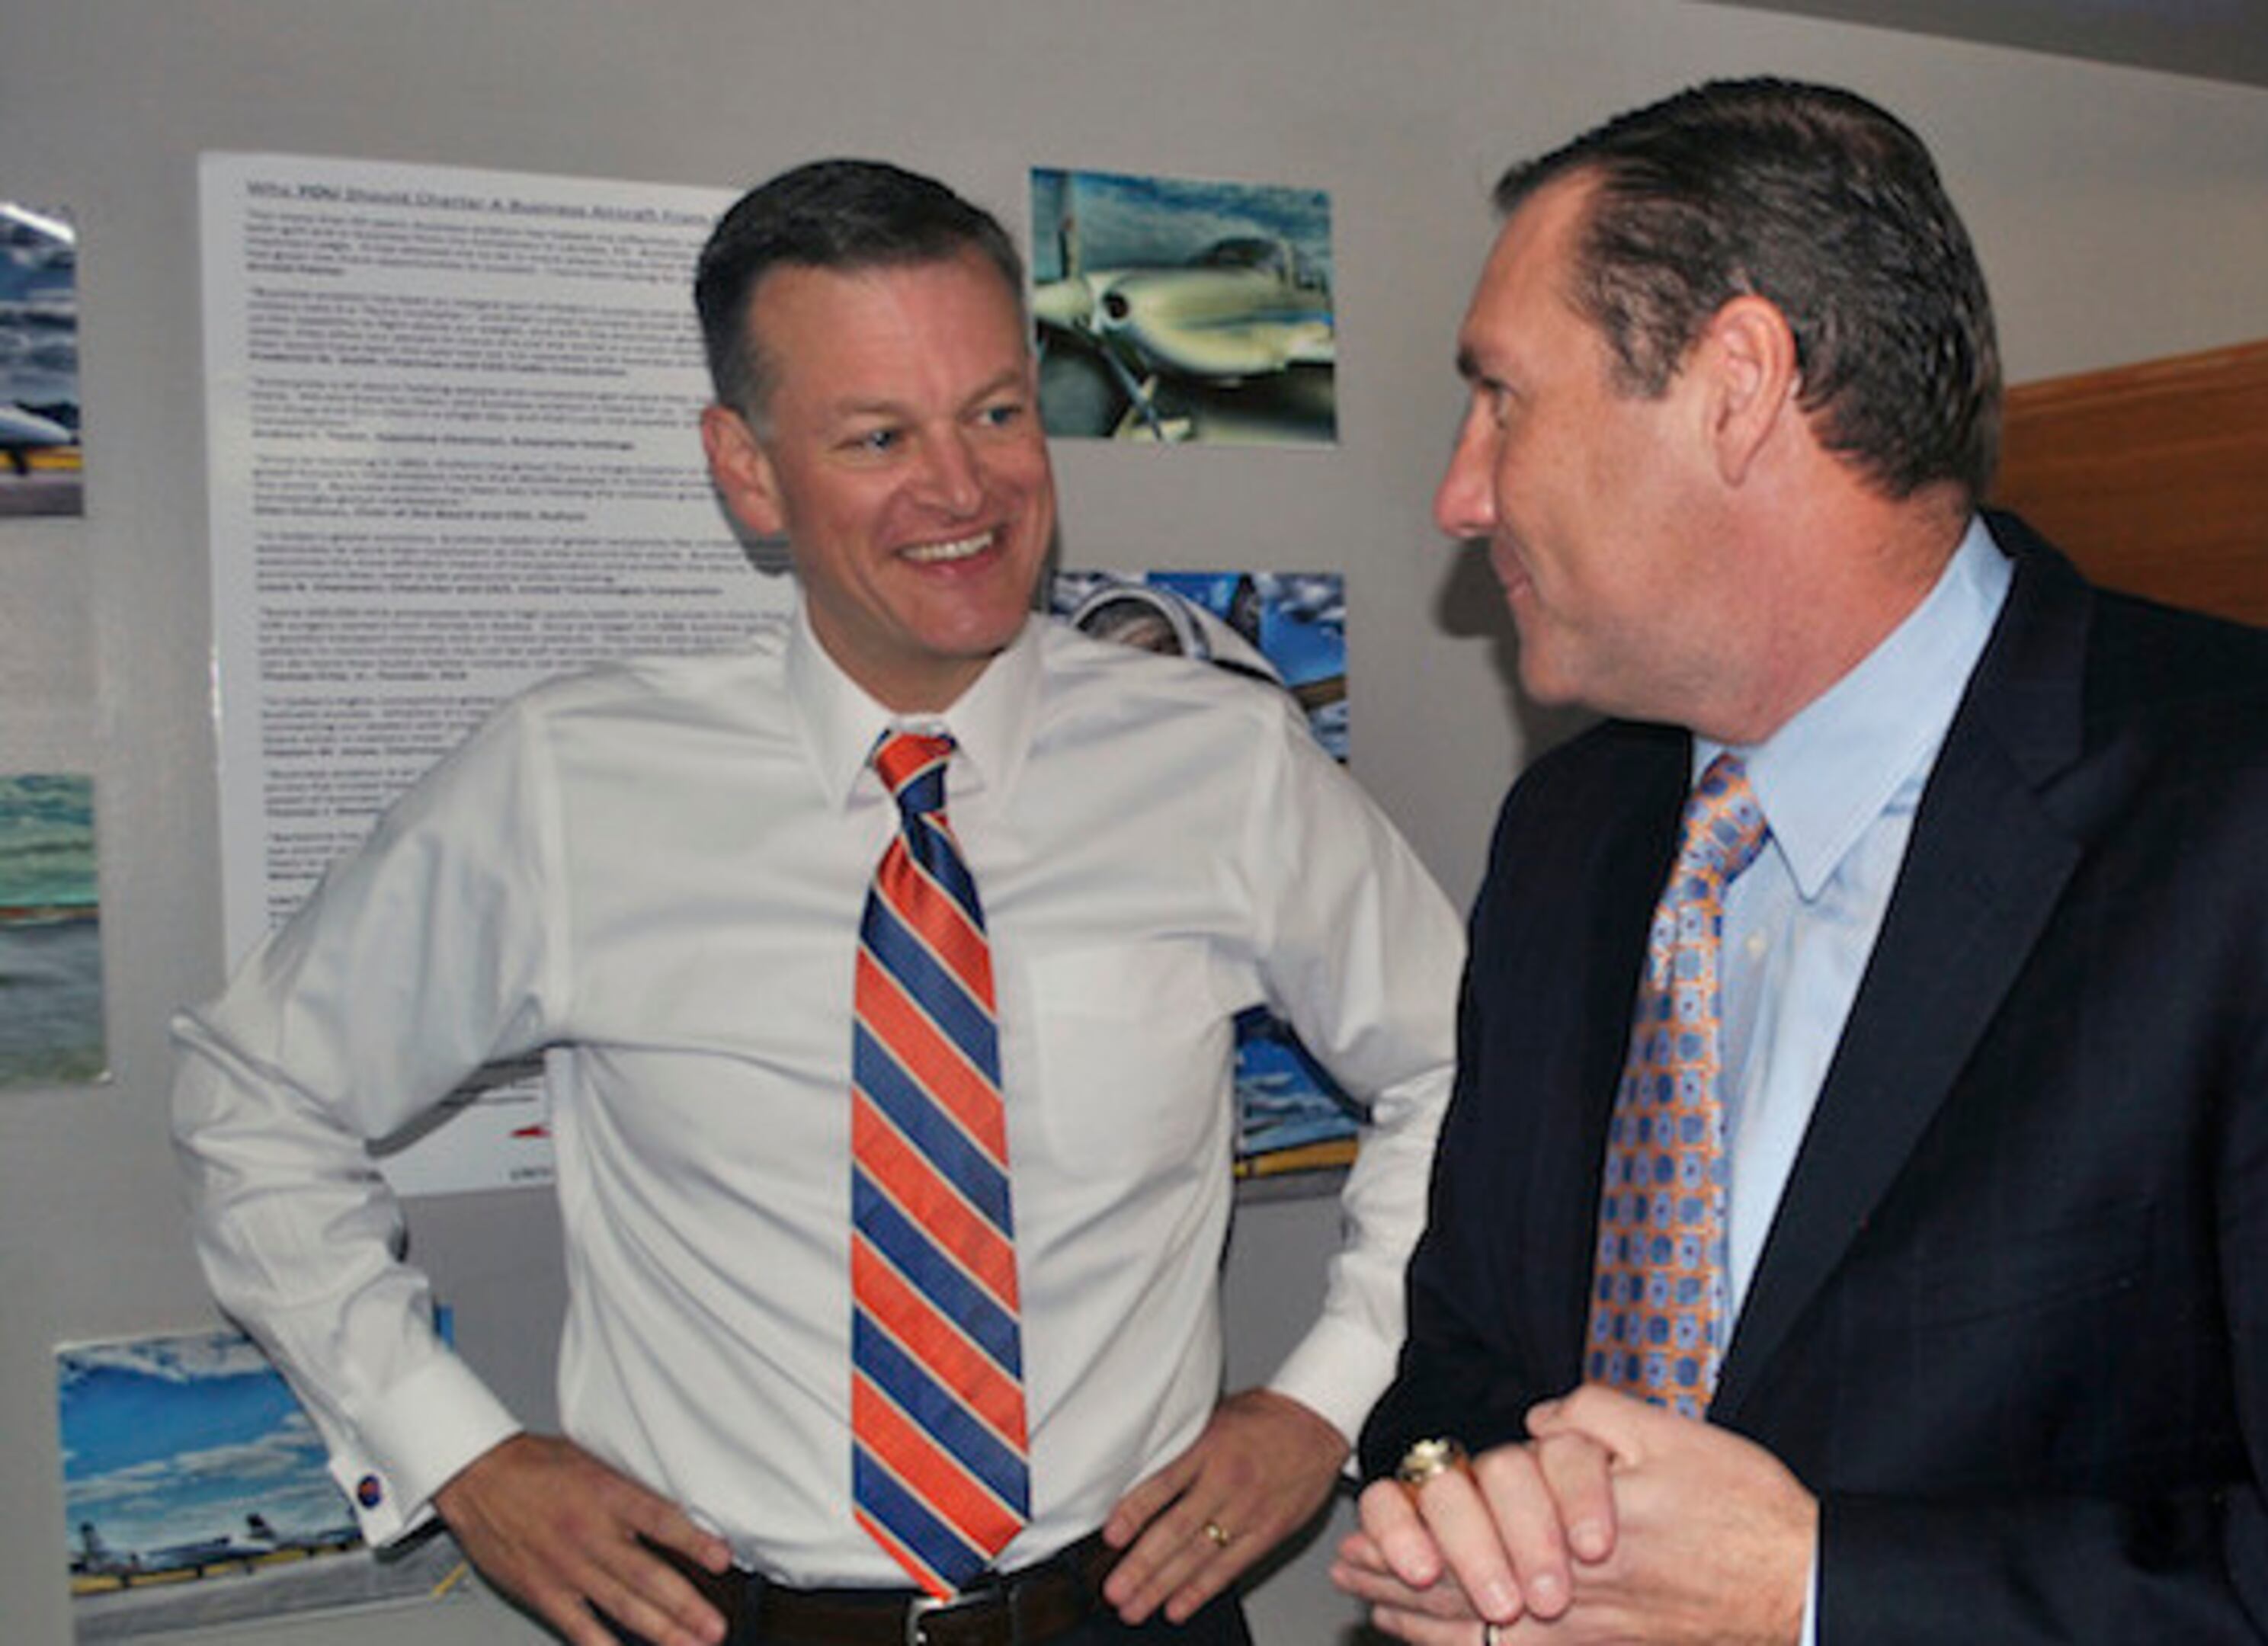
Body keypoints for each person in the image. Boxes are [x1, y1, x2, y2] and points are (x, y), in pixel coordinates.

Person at [1332, 78, 2268, 1644]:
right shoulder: (1571, 836)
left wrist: (1814, 1595)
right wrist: (1454, 1507)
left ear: (1738, 381)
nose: (1460, 491)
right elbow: (1463, 1361)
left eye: (1505, 398)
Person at [172, 159, 1462, 1646]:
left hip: (1122, 1614)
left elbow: (1460, 1067)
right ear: (749, 469)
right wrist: (454, 1450)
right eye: (877, 435)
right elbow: (250, 1092)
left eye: (994, 411)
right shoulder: (573, 786)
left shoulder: (1225, 762)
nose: (963, 490)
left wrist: (1329, 1398)